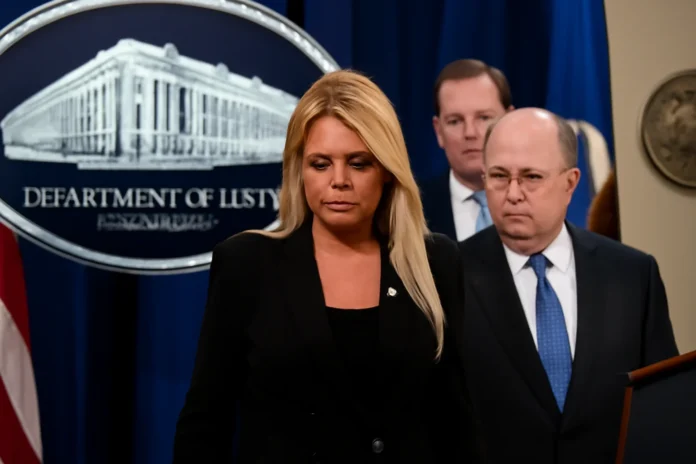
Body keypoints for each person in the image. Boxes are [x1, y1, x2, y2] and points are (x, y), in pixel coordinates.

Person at [172, 70, 477, 463]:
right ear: (299, 169)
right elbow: (205, 422)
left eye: (359, 163)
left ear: (387, 170)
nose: (339, 180)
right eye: (320, 164)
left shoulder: (435, 262)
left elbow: (456, 422)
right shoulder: (246, 264)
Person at [452, 108, 678, 464]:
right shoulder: (448, 274)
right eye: (499, 176)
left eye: (531, 177)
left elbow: (663, 407)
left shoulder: (632, 275)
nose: (513, 193)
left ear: (570, 183)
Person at [421, 59, 514, 241]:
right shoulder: (411, 209)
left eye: (484, 118)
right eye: (455, 121)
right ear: (439, 131)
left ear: (509, 121)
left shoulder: (541, 202)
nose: (470, 133)